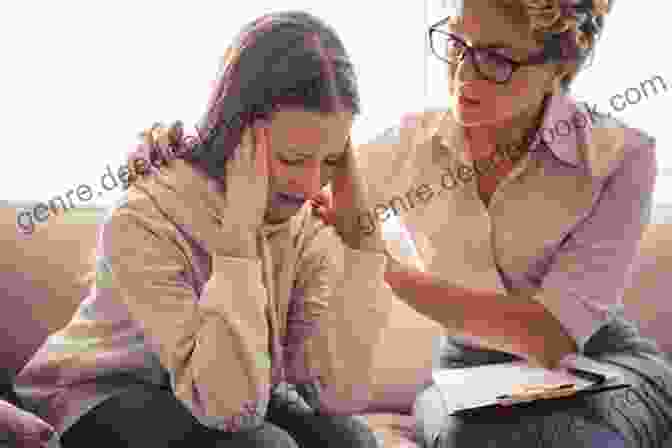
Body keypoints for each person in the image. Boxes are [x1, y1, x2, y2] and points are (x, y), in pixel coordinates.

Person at [14, 11, 394, 448]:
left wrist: (364, 246)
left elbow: (336, 393)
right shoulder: (143, 217)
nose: (311, 185)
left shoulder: (303, 219)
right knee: (266, 447)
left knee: (354, 441)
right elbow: (228, 407)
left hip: (227, 390)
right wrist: (237, 245)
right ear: (235, 136)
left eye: (330, 161)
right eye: (291, 159)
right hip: (98, 392)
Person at [313, 0, 672, 446]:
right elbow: (305, 196)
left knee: (581, 440)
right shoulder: (410, 147)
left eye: (497, 58)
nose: (465, 72)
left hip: (602, 364)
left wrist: (383, 266)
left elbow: (550, 337)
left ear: (559, 66)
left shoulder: (621, 157)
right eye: (458, 44)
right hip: (467, 370)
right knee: (468, 436)